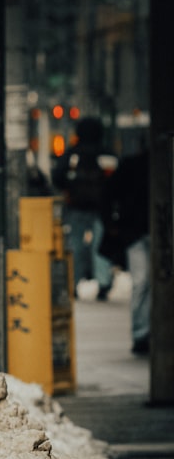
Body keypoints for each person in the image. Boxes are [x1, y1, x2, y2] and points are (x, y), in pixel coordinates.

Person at [52, 117, 116, 300]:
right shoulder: (106, 153)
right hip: (103, 208)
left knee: (75, 245)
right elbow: (117, 181)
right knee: (100, 246)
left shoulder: (73, 153)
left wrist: (69, 189)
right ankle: (103, 283)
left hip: (76, 206)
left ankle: (73, 282)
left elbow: (57, 177)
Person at [101, 146, 150, 355]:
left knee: (142, 282)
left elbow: (108, 194)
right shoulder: (133, 166)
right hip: (136, 232)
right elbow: (109, 194)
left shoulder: (131, 165)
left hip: (136, 230)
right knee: (142, 281)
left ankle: (143, 332)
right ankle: (142, 333)